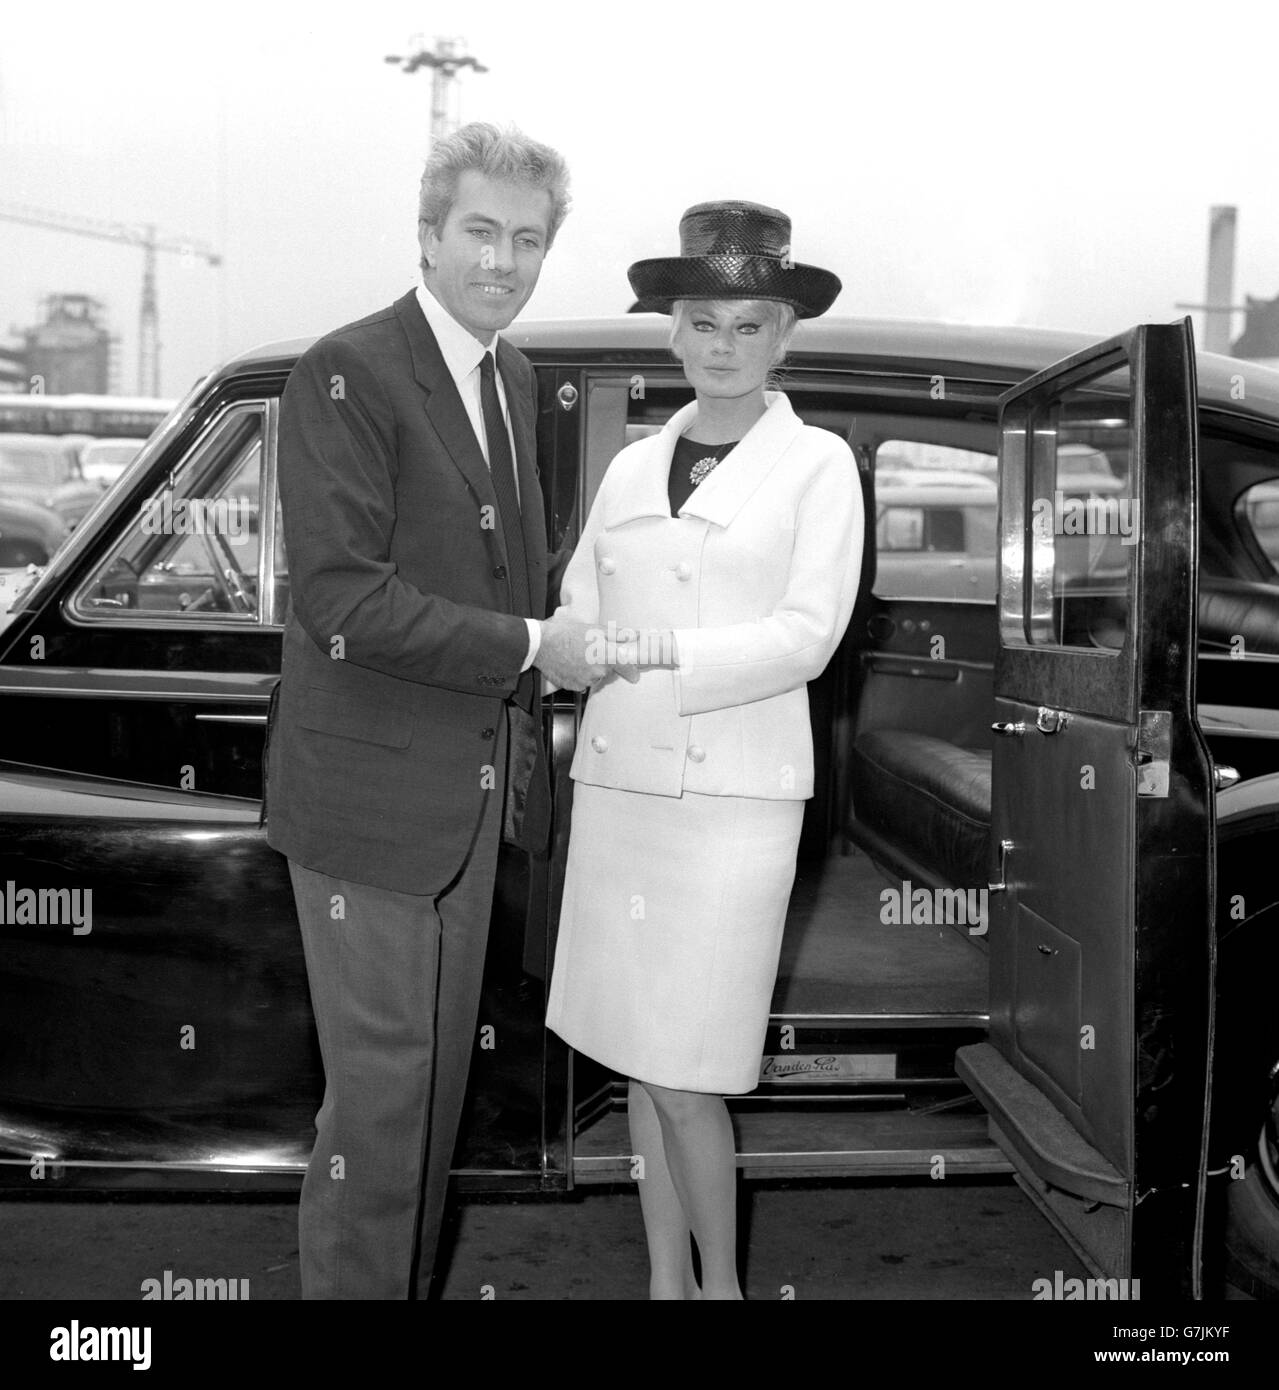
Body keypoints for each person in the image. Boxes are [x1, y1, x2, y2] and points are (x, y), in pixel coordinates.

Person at [265, 123, 605, 1300]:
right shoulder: (347, 369)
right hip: (368, 806)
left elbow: (511, 577)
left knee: (430, 1106)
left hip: (465, 802)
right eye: (479, 232)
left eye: (526, 239)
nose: (502, 261)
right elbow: (340, 597)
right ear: (427, 234)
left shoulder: (508, 376)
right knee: (379, 1114)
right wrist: (529, 644)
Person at [545, 201, 863, 1299]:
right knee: (640, 1059)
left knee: (692, 1075)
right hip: (625, 789)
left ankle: (720, 1288)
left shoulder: (817, 465)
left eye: (748, 324)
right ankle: (662, 1284)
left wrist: (647, 650)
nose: (722, 347)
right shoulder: (633, 468)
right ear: (671, 333)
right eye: (702, 323)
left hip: (734, 800)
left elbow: (805, 637)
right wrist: (563, 650)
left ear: (783, 337)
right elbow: (577, 606)